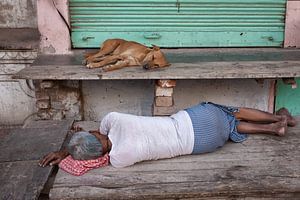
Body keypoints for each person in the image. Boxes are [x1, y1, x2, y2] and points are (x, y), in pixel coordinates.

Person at [39, 102, 296, 168]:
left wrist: (67, 154)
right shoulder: (112, 120)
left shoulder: (119, 158)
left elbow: (97, 155)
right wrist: (76, 140)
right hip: (193, 120)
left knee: (228, 128)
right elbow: (100, 131)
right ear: (96, 133)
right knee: (232, 112)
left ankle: (272, 129)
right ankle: (278, 118)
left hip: (203, 143)